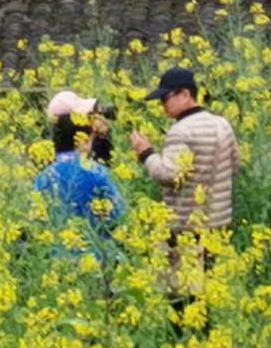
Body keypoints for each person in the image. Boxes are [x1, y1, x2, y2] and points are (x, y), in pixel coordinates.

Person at [130, 66, 240, 332]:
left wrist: (146, 154)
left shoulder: (181, 131)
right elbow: (235, 166)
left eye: (166, 98)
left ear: (185, 94)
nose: (162, 105)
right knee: (205, 291)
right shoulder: (221, 124)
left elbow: (170, 175)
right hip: (218, 223)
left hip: (186, 226)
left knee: (182, 295)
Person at [34, 113, 127, 256]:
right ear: (82, 142)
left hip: (58, 260)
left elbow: (37, 221)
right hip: (98, 258)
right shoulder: (97, 172)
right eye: (90, 140)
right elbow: (119, 215)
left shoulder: (43, 176)